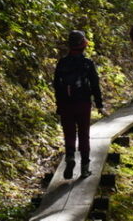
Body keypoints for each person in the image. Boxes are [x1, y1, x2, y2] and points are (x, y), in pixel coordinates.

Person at [53, 30, 106, 179]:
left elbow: (57, 85)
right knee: (84, 135)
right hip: (83, 103)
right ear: (83, 45)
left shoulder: (62, 63)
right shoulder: (87, 63)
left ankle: (70, 156)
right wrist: (99, 104)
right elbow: (95, 84)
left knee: (69, 133)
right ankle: (84, 168)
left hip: (65, 104)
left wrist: (59, 104)